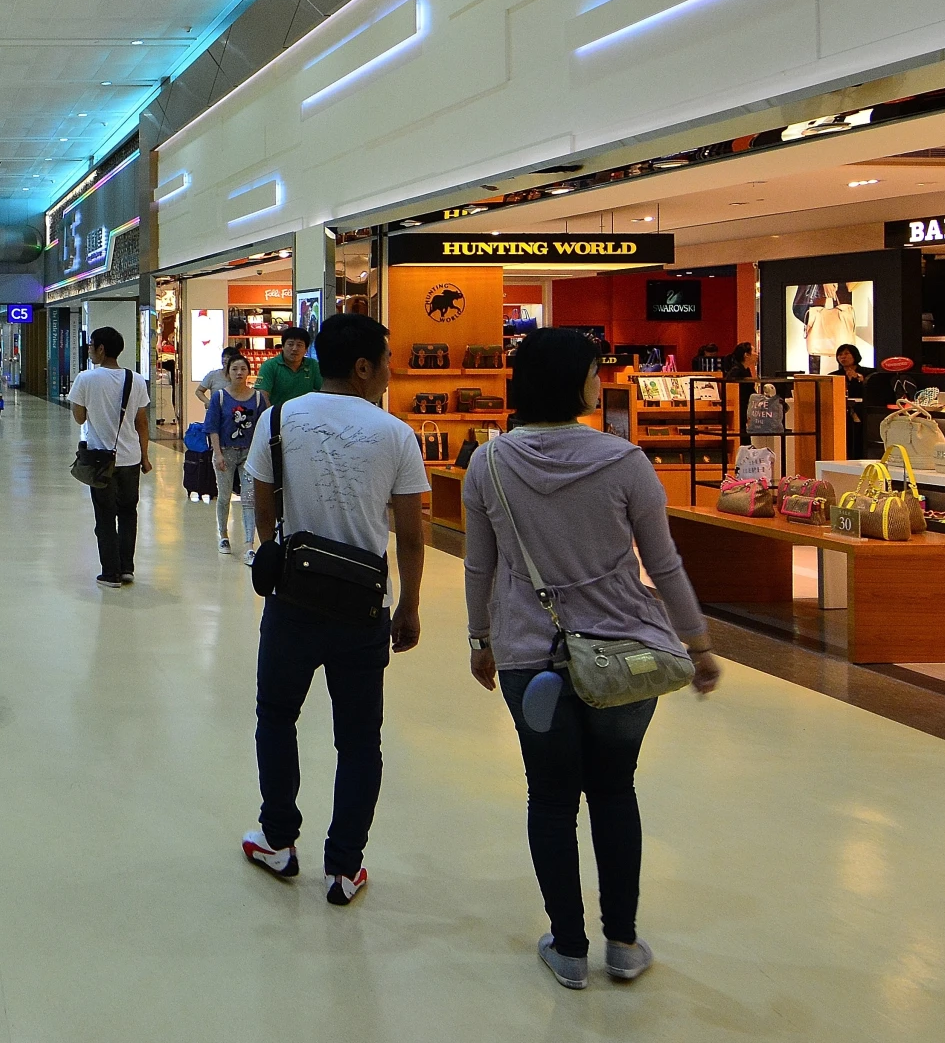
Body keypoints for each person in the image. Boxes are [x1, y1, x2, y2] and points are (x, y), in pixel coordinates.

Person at [461, 327, 722, 990]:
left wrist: (479, 640)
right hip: (626, 654)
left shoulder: (487, 464)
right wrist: (697, 643)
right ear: (577, 383)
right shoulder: (625, 461)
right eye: (593, 371)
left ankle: (570, 947)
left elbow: (480, 565)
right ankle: (624, 943)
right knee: (614, 790)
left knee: (550, 801)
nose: (600, 380)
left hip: (530, 656)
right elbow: (663, 564)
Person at [239, 314, 427, 906]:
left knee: (276, 718)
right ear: (365, 366)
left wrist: (283, 543)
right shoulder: (396, 434)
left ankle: (277, 839)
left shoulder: (278, 420)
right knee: (359, 740)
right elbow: (412, 533)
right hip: (362, 606)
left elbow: (261, 507)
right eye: (388, 360)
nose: (391, 371)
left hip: (293, 601)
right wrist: (410, 607)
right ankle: (344, 867)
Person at [66, 326, 151, 587]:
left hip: (100, 460)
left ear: (101, 349)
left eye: (91, 345)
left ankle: (110, 572)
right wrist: (145, 457)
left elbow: (80, 417)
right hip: (130, 459)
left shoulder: (85, 379)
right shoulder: (135, 379)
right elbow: (142, 422)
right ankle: (127, 568)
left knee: (104, 515)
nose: (89, 349)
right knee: (128, 513)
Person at [206, 356, 267, 558]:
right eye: (234, 369)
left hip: (249, 454)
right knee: (224, 496)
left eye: (243, 368)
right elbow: (212, 427)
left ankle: (249, 544)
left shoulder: (257, 398)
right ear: (228, 372)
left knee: (249, 499)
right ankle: (223, 534)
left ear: (248, 372)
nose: (239, 372)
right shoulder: (220, 397)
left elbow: (262, 428)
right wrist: (217, 454)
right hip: (226, 451)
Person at [257, 324, 323, 405]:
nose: (294, 349)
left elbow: (323, 389)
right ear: (283, 346)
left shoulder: (313, 365)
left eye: (299, 345)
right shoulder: (270, 366)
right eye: (290, 344)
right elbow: (262, 394)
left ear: (306, 349)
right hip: (278, 414)